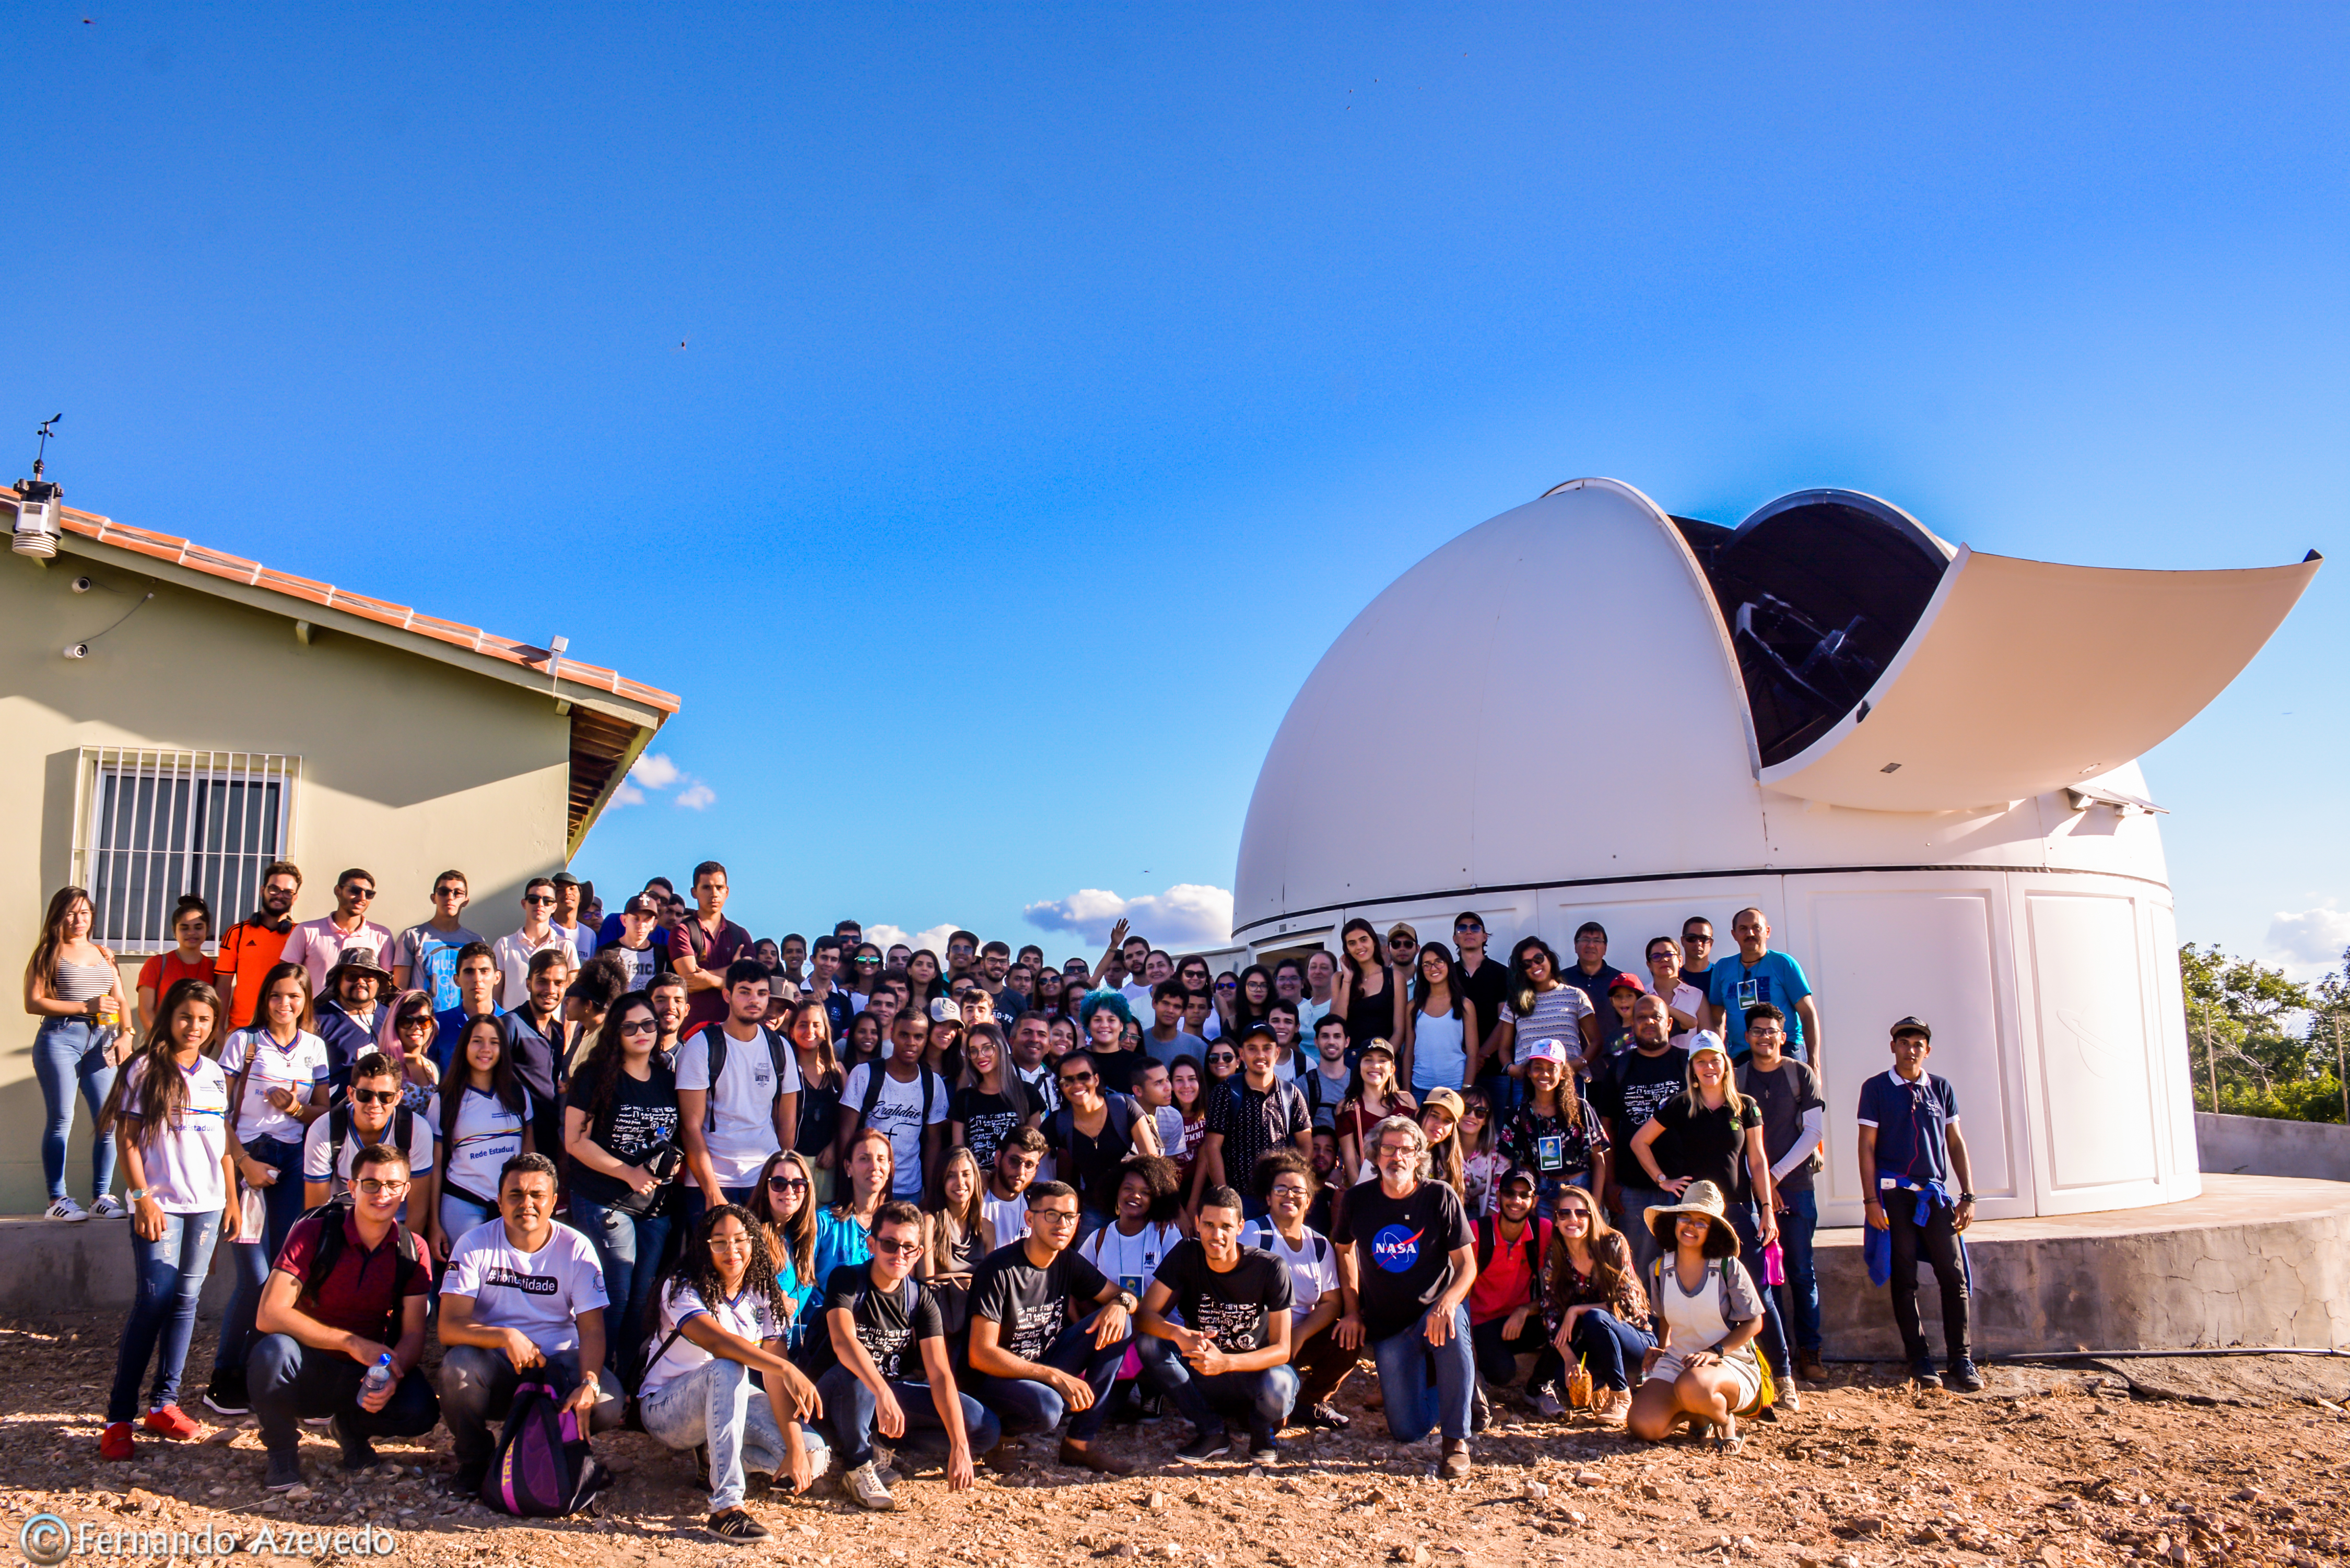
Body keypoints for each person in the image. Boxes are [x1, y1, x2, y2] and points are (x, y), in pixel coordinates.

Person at [98, 978, 240, 1460]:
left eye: (204, 1019)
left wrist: (232, 1201)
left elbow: (220, 1147)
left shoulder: (217, 1074)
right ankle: (120, 1417)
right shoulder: (144, 1068)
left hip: (207, 1204)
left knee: (186, 1301)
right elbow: (129, 1140)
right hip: (161, 1206)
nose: (195, 1027)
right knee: (154, 1300)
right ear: (168, 1016)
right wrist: (141, 1198)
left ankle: (164, 1404)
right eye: (186, 1016)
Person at [248, 1143, 439, 1488]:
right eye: (371, 1184)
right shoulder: (314, 1232)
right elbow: (269, 1312)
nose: (383, 1193)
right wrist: (351, 1342)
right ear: (352, 1187)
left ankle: (350, 1429)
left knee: (420, 1409)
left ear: (406, 1189)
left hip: (365, 1374)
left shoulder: (413, 1248)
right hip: (307, 1365)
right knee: (271, 1353)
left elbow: (413, 1334)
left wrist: (393, 1374)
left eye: (393, 1185)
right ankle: (281, 1451)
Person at [1625, 1030, 1793, 1412]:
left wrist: (1766, 1207)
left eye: (1714, 1059)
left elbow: (1757, 1160)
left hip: (1736, 1210)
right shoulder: (1681, 1105)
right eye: (1701, 1060)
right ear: (1693, 1067)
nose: (1709, 1066)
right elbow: (1640, 1142)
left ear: (1725, 1063)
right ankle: (1681, 1370)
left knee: (1759, 1296)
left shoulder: (1745, 1107)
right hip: (1695, 1215)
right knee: (1691, 1290)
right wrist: (1662, 1179)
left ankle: (1782, 1377)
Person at [639, 1203, 829, 1538]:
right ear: (704, 1246)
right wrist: (786, 1368)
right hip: (667, 1407)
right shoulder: (682, 1286)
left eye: (741, 1240)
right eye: (720, 1242)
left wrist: (795, 1448)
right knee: (729, 1367)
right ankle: (726, 1508)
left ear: (754, 1242)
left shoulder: (762, 1293)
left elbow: (773, 1378)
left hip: (730, 1395)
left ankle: (712, 1458)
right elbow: (717, 1342)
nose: (732, 1250)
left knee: (812, 1458)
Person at [437, 1153, 621, 1491]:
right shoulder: (473, 1243)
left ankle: (554, 1448)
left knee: (608, 1400)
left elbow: (593, 1328)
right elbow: (449, 1326)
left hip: (559, 1364)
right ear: (499, 1201)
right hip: (497, 1365)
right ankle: (475, 1460)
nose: (527, 1203)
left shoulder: (577, 1248)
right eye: (516, 1194)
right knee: (456, 1370)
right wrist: (504, 1336)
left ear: (553, 1201)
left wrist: (590, 1382)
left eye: (537, 1195)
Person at [204, 962, 332, 1417]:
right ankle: (226, 1375)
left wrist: (295, 1107)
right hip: (250, 1162)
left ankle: (268, 1374)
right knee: (255, 1276)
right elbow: (217, 1114)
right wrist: (243, 1162)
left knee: (288, 1277)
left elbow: (323, 1112)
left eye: (294, 996)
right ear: (265, 999)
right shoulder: (244, 1041)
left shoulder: (315, 1046)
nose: (285, 1004)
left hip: (295, 1163)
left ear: (306, 1000)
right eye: (276, 995)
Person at [811, 1200, 997, 1510]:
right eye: (890, 1244)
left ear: (919, 1254)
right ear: (872, 1244)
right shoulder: (848, 1280)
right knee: (857, 1375)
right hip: (836, 1394)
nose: (900, 1255)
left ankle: (880, 1444)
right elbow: (844, 1343)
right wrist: (882, 1392)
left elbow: (938, 1373)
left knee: (983, 1428)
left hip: (884, 1397)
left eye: (909, 1248)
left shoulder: (921, 1298)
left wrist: (960, 1445)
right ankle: (858, 1466)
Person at [1334, 1114, 1478, 1481]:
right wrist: (1352, 1310)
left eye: (1406, 1149)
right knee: (1406, 1430)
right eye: (1388, 1148)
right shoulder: (1357, 1199)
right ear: (1375, 1154)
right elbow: (1344, 1249)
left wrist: (1447, 1303)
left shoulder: (1439, 1195)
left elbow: (1467, 1266)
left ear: (1419, 1156)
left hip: (1436, 1309)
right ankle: (1454, 1390)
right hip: (1389, 1323)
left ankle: (1456, 1440)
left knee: (1452, 1330)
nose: (1397, 1156)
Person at [965, 1181, 1138, 1476]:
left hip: (1044, 1361)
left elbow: (1130, 1298)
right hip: (995, 1378)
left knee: (1120, 1323)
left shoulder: (1067, 1260)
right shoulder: (998, 1270)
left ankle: (1079, 1443)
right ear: (1030, 1219)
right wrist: (1053, 1376)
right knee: (1048, 1407)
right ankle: (1004, 1435)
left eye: (1070, 1217)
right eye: (1052, 1215)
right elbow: (980, 1355)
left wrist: (1120, 1303)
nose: (1062, 1224)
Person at [1857, 1016, 1982, 1393]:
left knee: (1953, 1275)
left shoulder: (1940, 1088)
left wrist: (1969, 1195)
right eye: (1904, 1042)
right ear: (1892, 1046)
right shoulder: (1876, 1088)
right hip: (1894, 1195)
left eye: (1918, 1044)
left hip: (1934, 1193)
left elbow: (1955, 1142)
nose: (1911, 1049)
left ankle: (1961, 1358)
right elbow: (1866, 1146)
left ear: (1927, 1050)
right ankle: (1920, 1358)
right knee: (1905, 1275)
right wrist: (1870, 1199)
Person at [563, 991, 682, 1390]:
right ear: (616, 1032)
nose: (641, 1032)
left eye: (649, 1024)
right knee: (615, 1291)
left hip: (656, 1204)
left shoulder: (668, 1076)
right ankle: (598, 1380)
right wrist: (628, 1172)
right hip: (604, 1197)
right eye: (629, 1026)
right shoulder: (594, 1075)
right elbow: (575, 1141)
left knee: (642, 1297)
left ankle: (627, 1380)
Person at [1139, 1184, 1296, 1465]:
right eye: (1209, 1224)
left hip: (1252, 1372)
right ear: (1197, 1223)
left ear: (1240, 1227)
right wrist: (1179, 1334)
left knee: (1281, 1384)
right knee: (1150, 1344)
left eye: (1226, 1226)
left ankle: (1261, 1428)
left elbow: (1283, 1350)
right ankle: (1211, 1431)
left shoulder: (1270, 1267)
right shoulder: (1187, 1255)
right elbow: (1144, 1315)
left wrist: (1227, 1362)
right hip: (1205, 1373)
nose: (1217, 1235)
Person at [1626, 1180, 1768, 1453]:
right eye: (1686, 1218)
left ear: (1712, 1231)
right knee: (1643, 1425)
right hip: (1680, 1360)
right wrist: (1663, 1347)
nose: (1691, 1227)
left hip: (1728, 1362)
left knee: (1693, 1384)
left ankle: (1724, 1420)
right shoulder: (1659, 1269)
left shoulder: (1729, 1267)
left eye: (1702, 1223)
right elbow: (1665, 1315)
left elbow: (1755, 1321)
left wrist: (1716, 1352)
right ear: (1674, 1222)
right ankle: (1698, 1414)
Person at [25, 884, 132, 1222]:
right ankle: (57, 1199)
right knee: (62, 1119)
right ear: (59, 915)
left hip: (102, 1040)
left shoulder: (104, 953)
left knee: (109, 1120)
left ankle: (101, 1196)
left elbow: (121, 998)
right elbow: (33, 1001)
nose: (78, 919)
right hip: (61, 1037)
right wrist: (86, 1005)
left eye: (85, 912)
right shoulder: (48, 952)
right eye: (71, 912)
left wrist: (127, 1035)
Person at [1737, 1004, 1828, 1382]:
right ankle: (1773, 1356)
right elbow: (1735, 1143)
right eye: (1757, 1031)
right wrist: (1761, 1188)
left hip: (1796, 1189)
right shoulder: (1737, 1078)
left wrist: (1772, 1177)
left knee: (1801, 1273)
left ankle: (1811, 1352)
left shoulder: (1799, 1073)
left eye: (1771, 1030)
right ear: (1747, 1036)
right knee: (1760, 1278)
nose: (1764, 1036)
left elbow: (1814, 1133)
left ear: (1783, 1034)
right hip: (1753, 1195)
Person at [678, 960, 803, 1217]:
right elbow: (690, 1127)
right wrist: (712, 1192)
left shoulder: (781, 1047)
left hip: (764, 1180)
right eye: (745, 992)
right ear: (727, 995)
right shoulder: (702, 1046)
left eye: (762, 993)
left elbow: (787, 1124)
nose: (754, 1000)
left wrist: (778, 1176)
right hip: (711, 1181)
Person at [1242, 1150, 1351, 1429]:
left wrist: (1300, 1335)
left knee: (1349, 1338)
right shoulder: (1253, 1235)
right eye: (1280, 1189)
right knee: (1273, 1421)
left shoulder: (1319, 1245)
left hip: (1301, 1337)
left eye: (1297, 1190)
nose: (1289, 1195)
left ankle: (1310, 1403)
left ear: (1310, 1201)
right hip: (1260, 1340)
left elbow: (1331, 1303)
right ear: (1268, 1198)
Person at [1528, 1185, 1652, 1424]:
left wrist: (1577, 1310)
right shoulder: (1557, 1255)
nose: (1572, 1219)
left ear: (1592, 1216)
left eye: (1580, 1213)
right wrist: (1569, 1359)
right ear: (1555, 1220)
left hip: (1634, 1341)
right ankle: (1601, 1387)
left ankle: (1621, 1396)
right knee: (1564, 1379)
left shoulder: (1612, 1243)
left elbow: (1626, 1304)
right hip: (1598, 1346)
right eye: (1564, 1214)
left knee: (1595, 1317)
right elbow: (1551, 1309)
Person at [1592, 995, 1691, 1276]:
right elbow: (1607, 1130)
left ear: (1669, 1023)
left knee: (1688, 1269)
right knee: (1639, 1272)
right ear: (1632, 1025)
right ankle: (1642, 1321)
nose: (1649, 1022)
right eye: (1641, 1017)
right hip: (1634, 1188)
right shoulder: (1619, 1069)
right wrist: (1611, 1183)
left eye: (1656, 1017)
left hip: (1685, 1185)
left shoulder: (1687, 1065)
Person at [427, 1015, 535, 1263]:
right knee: (466, 1285)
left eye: (494, 1042)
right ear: (464, 1046)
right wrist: (433, 1223)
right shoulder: (444, 1100)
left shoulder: (519, 1094)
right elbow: (435, 1166)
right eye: (477, 1041)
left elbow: (530, 1157)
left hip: (512, 1203)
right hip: (463, 1202)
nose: (486, 1049)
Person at [302, 1051, 436, 1232]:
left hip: (397, 1227)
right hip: (341, 1227)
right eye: (365, 1094)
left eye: (385, 1096)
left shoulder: (416, 1130)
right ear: (350, 1094)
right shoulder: (324, 1130)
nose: (374, 1103)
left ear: (398, 1098)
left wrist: (401, 1256)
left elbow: (417, 1213)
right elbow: (316, 1214)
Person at [1191, 1022, 1311, 1221]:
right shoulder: (1226, 1092)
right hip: (1240, 1197)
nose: (1260, 1055)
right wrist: (1225, 1197)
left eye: (1267, 1048)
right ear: (1242, 1054)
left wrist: (1295, 1188)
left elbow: (1306, 1146)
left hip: (1281, 1197)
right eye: (1252, 1049)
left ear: (1277, 1052)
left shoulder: (1292, 1094)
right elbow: (1212, 1148)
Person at [1464, 1167, 1551, 1425]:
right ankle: (1475, 1376)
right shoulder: (1477, 1231)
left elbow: (1555, 1289)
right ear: (1499, 1197)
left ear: (1534, 1201)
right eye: (1510, 1193)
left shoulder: (1542, 1230)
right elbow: (1461, 1294)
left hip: (1518, 1317)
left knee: (1567, 1322)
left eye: (1525, 1195)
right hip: (1481, 1323)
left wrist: (1525, 1310)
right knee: (1502, 1373)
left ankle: (1539, 1386)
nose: (1517, 1201)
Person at [840, 1009, 949, 1201]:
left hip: (910, 1190)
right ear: (892, 1034)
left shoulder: (934, 1084)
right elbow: (845, 1133)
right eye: (904, 1035)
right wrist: (845, 1185)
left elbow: (934, 1143)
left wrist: (931, 1193)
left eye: (919, 1037)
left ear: (926, 1040)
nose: (911, 1043)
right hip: (866, 1186)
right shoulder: (864, 1074)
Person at [1047, 1050, 1159, 1231]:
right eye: (1067, 1080)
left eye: (1084, 1077)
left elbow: (1154, 1166)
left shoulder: (1123, 1106)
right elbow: (1028, 1152)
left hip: (1136, 1205)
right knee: (1086, 1259)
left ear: (1096, 1079)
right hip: (1094, 1209)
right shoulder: (1059, 1121)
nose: (1077, 1084)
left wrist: (1168, 1210)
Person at [1497, 1040, 1608, 1216]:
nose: (1545, 1074)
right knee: (1546, 1243)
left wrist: (1595, 1203)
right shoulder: (1521, 1114)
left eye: (1552, 1069)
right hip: (1544, 1191)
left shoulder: (1581, 1109)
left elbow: (1599, 1160)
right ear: (1529, 1071)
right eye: (1538, 1067)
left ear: (1563, 1073)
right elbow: (1525, 1165)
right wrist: (1532, 1205)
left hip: (1581, 1187)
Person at [1705, 908, 1822, 1067]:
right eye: (1743, 929)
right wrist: (1719, 1055)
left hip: (1784, 1050)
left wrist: (1814, 1062)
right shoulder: (1723, 968)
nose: (1750, 933)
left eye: (1756, 928)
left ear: (1767, 932)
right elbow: (1716, 1018)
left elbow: (1807, 1013)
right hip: (1742, 1055)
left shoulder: (1783, 963)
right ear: (1734, 934)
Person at [499, 947, 575, 1169]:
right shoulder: (510, 1025)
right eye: (543, 981)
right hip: (516, 1139)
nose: (551, 990)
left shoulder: (559, 1032)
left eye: (559, 983)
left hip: (550, 1135)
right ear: (529, 983)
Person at [1488, 936, 1599, 1086]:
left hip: (1568, 1081)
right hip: (1528, 1083)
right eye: (1527, 964)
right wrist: (1511, 1068)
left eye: (1538, 959)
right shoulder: (1515, 1002)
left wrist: (1577, 1065)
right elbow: (1504, 1049)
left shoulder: (1575, 996)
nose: (1534, 965)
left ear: (1549, 959)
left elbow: (1596, 1041)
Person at [212, 862, 301, 1042]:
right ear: (263, 890)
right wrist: (219, 1033)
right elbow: (222, 988)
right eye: (274, 889)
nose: (280, 896)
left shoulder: (301, 935)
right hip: (241, 1031)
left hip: (286, 1034)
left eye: (287, 892)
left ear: (295, 897)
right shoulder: (237, 933)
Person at [746, 1149, 822, 1353]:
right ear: (765, 1188)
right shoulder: (749, 1236)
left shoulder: (805, 1237)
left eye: (798, 1185)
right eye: (779, 1184)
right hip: (755, 1347)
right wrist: (774, 1299)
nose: (790, 1192)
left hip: (788, 1339)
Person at [280, 868, 394, 1000]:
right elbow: (285, 978)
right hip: (313, 1017)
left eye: (369, 894)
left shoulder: (382, 936)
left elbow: (387, 986)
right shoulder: (306, 930)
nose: (362, 898)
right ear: (338, 891)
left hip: (360, 1018)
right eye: (355, 890)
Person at [672, 862, 756, 1035]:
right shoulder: (683, 932)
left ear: (727, 891)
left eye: (719, 887)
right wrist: (734, 971)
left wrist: (711, 981)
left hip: (735, 1034)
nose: (714, 894)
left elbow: (748, 982)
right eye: (706, 888)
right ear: (694, 893)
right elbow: (691, 981)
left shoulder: (740, 935)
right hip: (692, 1033)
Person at [918, 1144, 990, 1348]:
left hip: (976, 1323)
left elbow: (990, 1285)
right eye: (951, 1175)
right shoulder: (929, 1221)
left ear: (976, 1178)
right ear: (940, 1181)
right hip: (940, 1325)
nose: (960, 1182)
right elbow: (926, 1285)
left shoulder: (987, 1228)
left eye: (966, 1174)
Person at [388, 871, 487, 1016]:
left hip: (462, 1022)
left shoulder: (475, 941)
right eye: (444, 892)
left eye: (458, 893)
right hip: (422, 1023)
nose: (450, 897)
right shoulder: (412, 937)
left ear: (466, 901)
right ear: (434, 898)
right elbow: (400, 990)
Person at [949, 1023, 1039, 1173]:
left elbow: (1037, 1147)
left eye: (987, 1048)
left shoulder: (1027, 1092)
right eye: (974, 1051)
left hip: (1017, 1185)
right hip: (978, 1188)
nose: (980, 1056)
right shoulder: (964, 1098)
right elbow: (958, 1153)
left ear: (1000, 1048)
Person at [813, 1126, 893, 1295]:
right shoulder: (823, 1223)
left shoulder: (899, 1226)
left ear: (890, 1168)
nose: (874, 1166)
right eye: (864, 1159)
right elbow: (804, 1281)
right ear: (848, 1167)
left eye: (881, 1159)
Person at [783, 999, 846, 1205]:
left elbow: (846, 1121)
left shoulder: (838, 1072)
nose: (810, 1030)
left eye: (816, 1025)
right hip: (794, 1164)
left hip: (827, 1165)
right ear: (791, 1031)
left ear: (826, 1031)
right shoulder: (784, 1070)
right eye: (803, 1024)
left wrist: (834, 1147)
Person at [1399, 941, 1477, 1100]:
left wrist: (1466, 1090)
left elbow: (1473, 1053)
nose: (1433, 968)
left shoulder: (1465, 1005)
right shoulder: (1413, 1006)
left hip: (1455, 1088)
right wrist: (1407, 1091)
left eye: (1438, 962)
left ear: (1449, 964)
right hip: (1420, 1088)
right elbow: (1408, 1053)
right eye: (1426, 964)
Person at [1334, 1039, 1416, 1189]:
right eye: (1368, 1060)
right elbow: (1350, 1161)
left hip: (1405, 1188)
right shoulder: (1347, 1108)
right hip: (1368, 1190)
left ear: (1392, 1069)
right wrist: (1359, 1195)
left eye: (1382, 1061)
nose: (1375, 1066)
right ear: (1359, 1067)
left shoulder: (1407, 1102)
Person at [312, 945, 395, 1092]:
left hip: (384, 1106)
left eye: (369, 977)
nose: (361, 982)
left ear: (379, 982)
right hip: (336, 1109)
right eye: (352, 976)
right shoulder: (316, 1020)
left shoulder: (393, 1018)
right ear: (338, 982)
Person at [134, 895, 214, 1040]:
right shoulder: (157, 963)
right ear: (174, 930)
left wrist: (202, 1046)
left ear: (207, 929)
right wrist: (161, 1043)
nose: (191, 933)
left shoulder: (214, 968)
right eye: (184, 928)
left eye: (198, 927)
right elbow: (145, 1011)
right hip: (159, 1044)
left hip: (196, 1046)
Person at [1331, 920, 1405, 1066]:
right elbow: (1336, 1023)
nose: (1359, 947)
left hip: (1384, 1059)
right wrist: (1347, 980)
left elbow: (1399, 1031)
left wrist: (1384, 1061)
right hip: (1348, 1060)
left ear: (1374, 942)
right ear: (1346, 949)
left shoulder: (1394, 978)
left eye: (1364, 940)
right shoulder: (1339, 978)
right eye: (1352, 943)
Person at [429, 941, 503, 1075]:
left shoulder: (511, 1024)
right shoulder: (437, 1024)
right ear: (457, 980)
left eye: (484, 971)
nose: (477, 979)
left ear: (497, 977)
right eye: (469, 972)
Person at [1561, 923, 1627, 1046]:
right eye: (1585, 940)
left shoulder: (1620, 981)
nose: (1591, 945)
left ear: (1605, 948)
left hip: (1611, 1058)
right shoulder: (1561, 980)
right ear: (1575, 946)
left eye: (1597, 941)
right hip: (1570, 1058)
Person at [982, 1127, 1047, 1248]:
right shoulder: (973, 1198)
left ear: (1036, 1170)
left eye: (1029, 1165)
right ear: (998, 1158)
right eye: (1015, 1161)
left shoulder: (1035, 1210)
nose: (1021, 1172)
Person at [1641, 936, 1708, 1041]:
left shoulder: (1696, 995)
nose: (1664, 959)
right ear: (1649, 965)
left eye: (1669, 955)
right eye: (1656, 956)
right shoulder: (1642, 996)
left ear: (1680, 961)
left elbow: (1708, 1038)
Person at [1298, 1013, 1355, 1135]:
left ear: (1347, 1042)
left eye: (1337, 1036)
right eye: (1325, 1036)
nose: (1331, 1042)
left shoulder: (1358, 1082)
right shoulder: (1304, 1084)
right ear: (1316, 1042)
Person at [599, 894, 668, 992]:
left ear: (654, 924)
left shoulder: (663, 955)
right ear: (624, 920)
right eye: (636, 919)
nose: (641, 925)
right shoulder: (606, 953)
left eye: (647, 920)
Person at [1142, 980, 1209, 1069]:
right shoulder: (1140, 1040)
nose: (1170, 1010)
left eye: (1177, 1007)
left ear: (1184, 1012)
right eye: (1166, 1004)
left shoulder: (1197, 1046)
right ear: (1154, 1003)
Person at [1458, 1088, 1503, 1219]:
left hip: (1484, 1218)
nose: (1472, 1116)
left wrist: (1481, 1231)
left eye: (1480, 1112)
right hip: (1446, 1216)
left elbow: (1498, 1200)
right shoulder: (1441, 1145)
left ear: (1486, 1120)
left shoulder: (1499, 1148)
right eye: (1466, 1109)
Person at [549, 871, 598, 963]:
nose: (568, 893)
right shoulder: (545, 930)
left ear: (580, 898)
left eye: (572, 889)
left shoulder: (590, 935)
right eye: (560, 890)